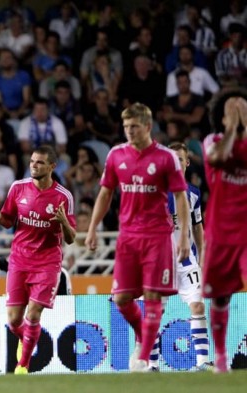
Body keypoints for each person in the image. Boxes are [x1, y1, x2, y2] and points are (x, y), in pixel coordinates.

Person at [84, 103, 191, 372]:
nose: (129, 131)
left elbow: (180, 196)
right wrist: (93, 227)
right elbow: (105, 193)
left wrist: (184, 237)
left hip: (156, 235)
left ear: (147, 126)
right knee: (121, 298)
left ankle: (142, 358)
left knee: (153, 294)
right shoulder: (116, 155)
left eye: (134, 126)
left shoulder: (166, 157)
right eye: (126, 127)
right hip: (127, 236)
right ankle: (144, 335)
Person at [0, 145, 76, 374]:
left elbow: (71, 239)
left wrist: (63, 222)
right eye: (32, 161)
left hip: (47, 262)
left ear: (52, 166)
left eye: (40, 162)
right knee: (14, 320)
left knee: (33, 313)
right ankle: (28, 339)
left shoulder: (63, 196)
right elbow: (8, 222)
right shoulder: (18, 188)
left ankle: (23, 365)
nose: (34, 165)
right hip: (19, 260)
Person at [147, 142, 213, 371]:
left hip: (187, 262)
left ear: (186, 163)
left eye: (180, 158)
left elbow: (198, 228)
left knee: (198, 307)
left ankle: (203, 362)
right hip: (159, 264)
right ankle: (152, 365)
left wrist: (202, 256)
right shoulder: (154, 192)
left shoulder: (193, 194)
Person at [201, 89, 247, 373]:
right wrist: (232, 128)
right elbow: (217, 159)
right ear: (222, 115)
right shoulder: (213, 141)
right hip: (220, 230)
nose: (240, 110)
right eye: (234, 107)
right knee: (220, 296)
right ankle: (220, 358)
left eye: (243, 106)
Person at [0, 253, 72, 295]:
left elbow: (66, 301)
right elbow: (9, 266)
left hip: (55, 314)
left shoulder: (61, 274)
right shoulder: (30, 270)